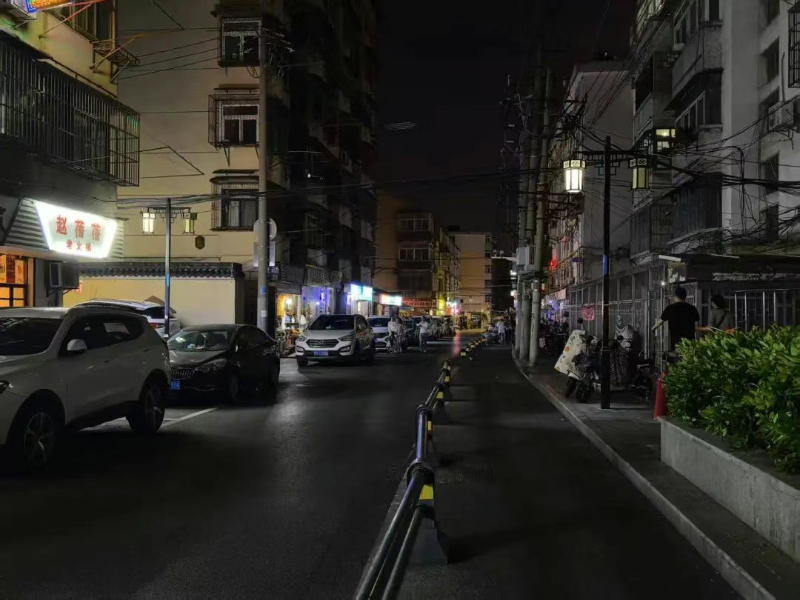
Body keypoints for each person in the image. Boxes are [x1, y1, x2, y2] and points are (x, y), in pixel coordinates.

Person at [652, 286, 700, 351]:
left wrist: (653, 329)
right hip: (690, 342)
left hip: (676, 342)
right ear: (685, 296)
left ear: (675, 296)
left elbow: (659, 322)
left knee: (677, 356)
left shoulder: (670, 308)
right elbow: (697, 326)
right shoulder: (692, 308)